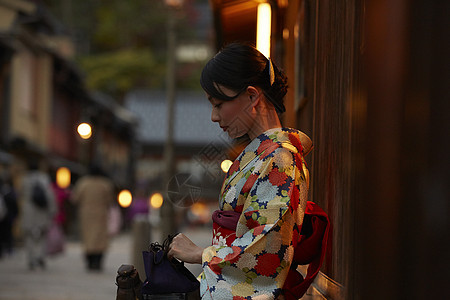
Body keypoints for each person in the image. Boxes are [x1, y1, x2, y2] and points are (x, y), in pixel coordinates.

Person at [168, 43, 314, 299]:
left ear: (251, 96)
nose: (214, 116)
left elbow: (268, 246)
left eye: (218, 103)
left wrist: (200, 253)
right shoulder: (257, 156)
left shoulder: (280, 158)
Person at [71, 163, 115, 271]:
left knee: (88, 237)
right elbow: (110, 200)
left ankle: (90, 260)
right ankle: (98, 261)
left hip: (86, 214)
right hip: (101, 213)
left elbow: (75, 198)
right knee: (100, 238)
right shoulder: (105, 184)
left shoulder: (83, 183)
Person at [20, 158, 57, 270]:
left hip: (29, 211)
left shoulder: (24, 179)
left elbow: (22, 194)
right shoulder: (44, 179)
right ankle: (40, 256)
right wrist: (52, 210)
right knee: (42, 235)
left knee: (29, 236)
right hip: (42, 211)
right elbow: (50, 196)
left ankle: (31, 258)